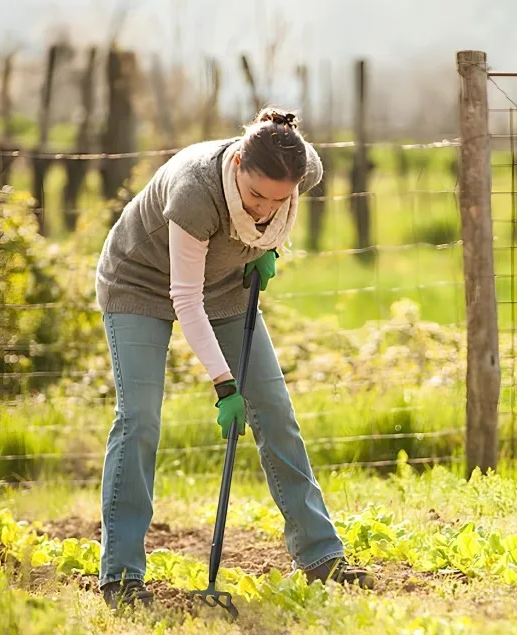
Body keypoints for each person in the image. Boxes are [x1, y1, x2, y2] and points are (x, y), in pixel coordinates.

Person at [95, 107, 374, 609]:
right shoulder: (195, 191)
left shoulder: (301, 166)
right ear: (239, 163)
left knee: (275, 412)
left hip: (224, 288)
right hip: (139, 283)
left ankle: (321, 557)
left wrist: (268, 247)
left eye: (279, 200)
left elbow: (269, 220)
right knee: (139, 420)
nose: (266, 210)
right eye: (256, 196)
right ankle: (121, 576)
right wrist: (224, 385)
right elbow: (185, 298)